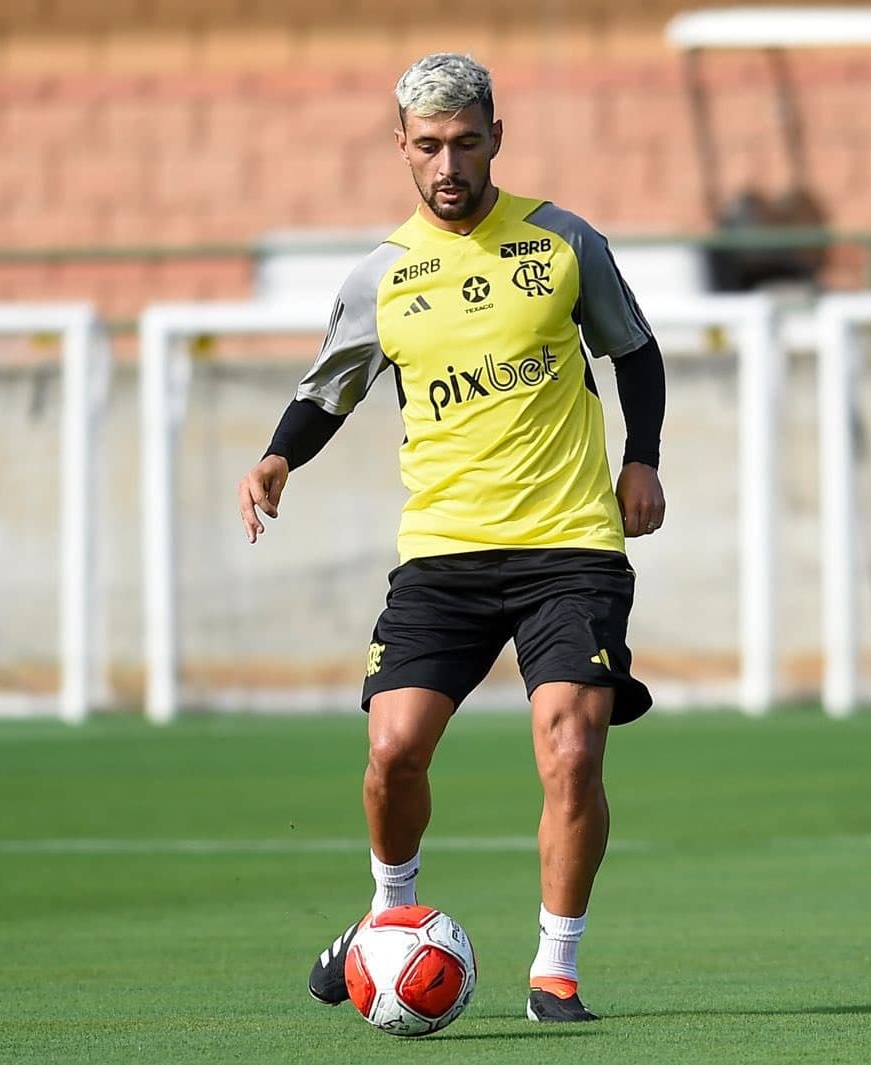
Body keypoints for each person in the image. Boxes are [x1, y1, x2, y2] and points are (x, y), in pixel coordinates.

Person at [236, 51, 667, 1024]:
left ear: (495, 139)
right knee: (393, 752)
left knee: (572, 747)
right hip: (442, 555)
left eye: (465, 143)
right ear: (401, 147)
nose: (447, 164)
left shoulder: (562, 243)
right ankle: (388, 918)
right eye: (427, 146)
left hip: (570, 546)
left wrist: (641, 459)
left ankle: (554, 969)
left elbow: (633, 351)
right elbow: (328, 388)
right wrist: (276, 459)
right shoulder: (381, 276)